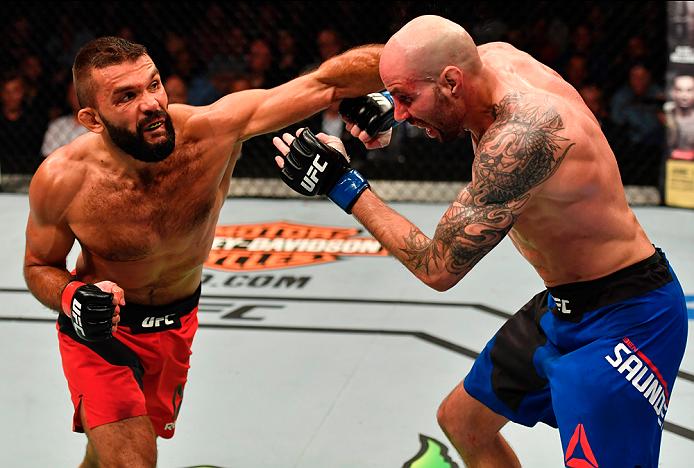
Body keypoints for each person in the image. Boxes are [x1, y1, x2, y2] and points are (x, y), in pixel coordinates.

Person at [273, 15, 687, 468]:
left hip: (627, 319)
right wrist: (389, 105)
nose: (405, 112)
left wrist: (343, 184)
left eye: (407, 98)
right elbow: (433, 77)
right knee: (464, 423)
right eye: (398, 96)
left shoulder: (524, 135)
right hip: (564, 306)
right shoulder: (489, 61)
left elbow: (438, 267)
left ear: (452, 82)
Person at [23, 36, 383, 467]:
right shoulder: (63, 179)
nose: (152, 103)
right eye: (127, 96)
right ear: (91, 118)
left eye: (154, 84)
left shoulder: (214, 131)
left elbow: (327, 83)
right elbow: (38, 265)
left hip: (175, 328)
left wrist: (422, 72)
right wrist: (73, 298)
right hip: (101, 335)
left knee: (102, 456)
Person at [40, 81, 89, 157]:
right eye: (73, 93)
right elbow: (48, 155)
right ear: (68, 96)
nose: (77, 96)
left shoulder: (99, 127)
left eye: (80, 92)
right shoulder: (57, 125)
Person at [664, 73, 694, 160]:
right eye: (679, 90)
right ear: (672, 92)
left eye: (689, 90)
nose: (684, 95)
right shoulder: (665, 115)